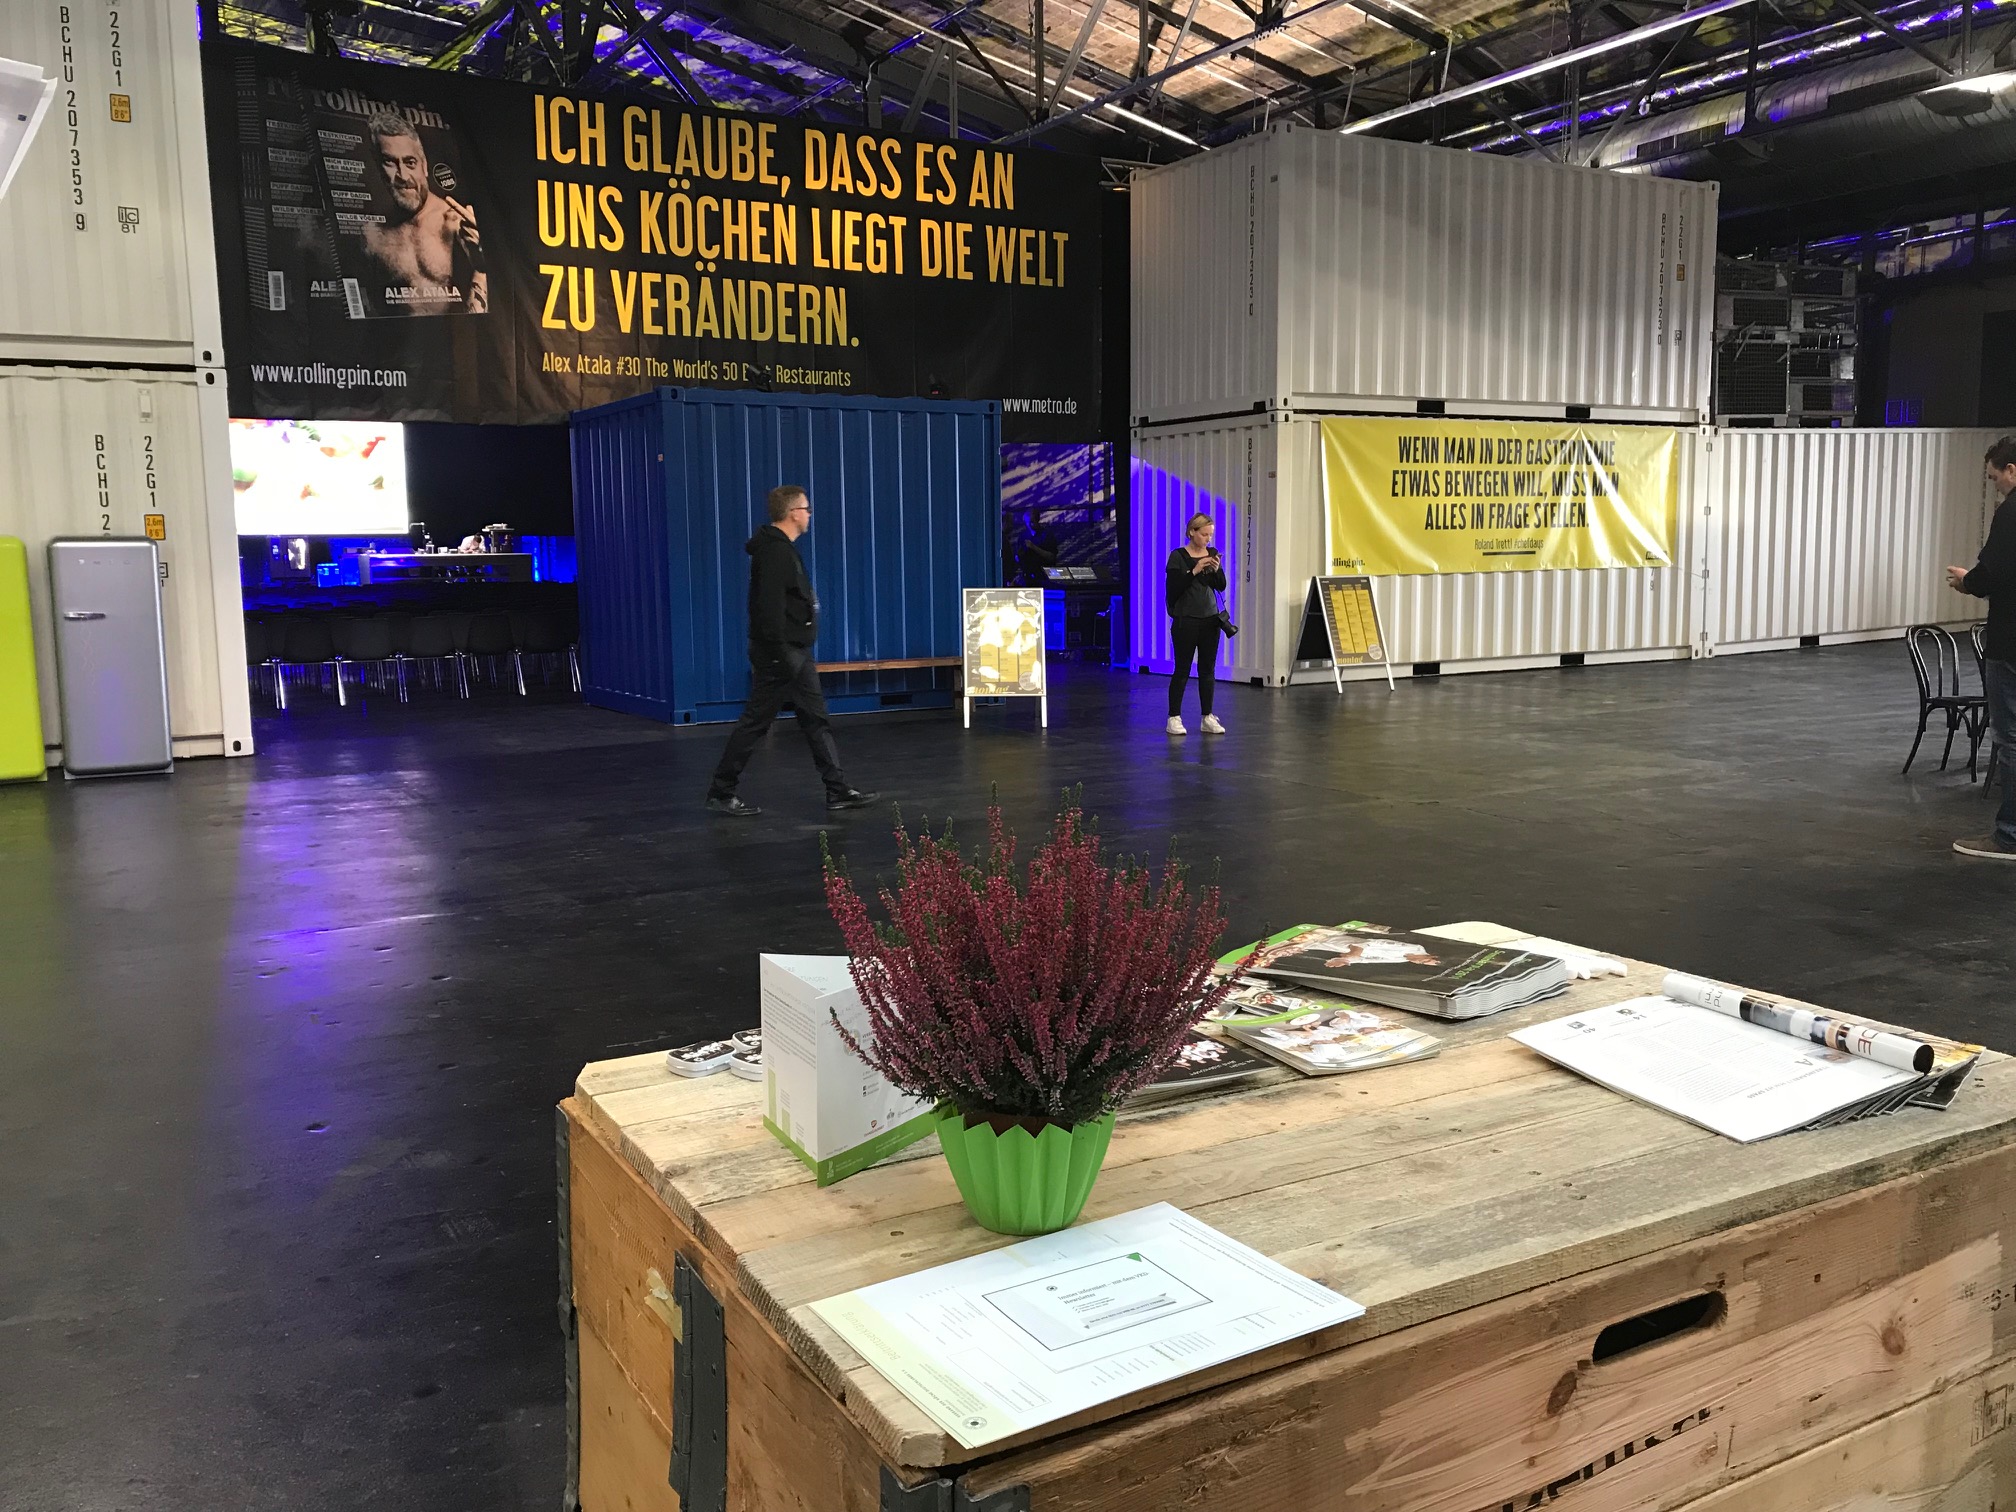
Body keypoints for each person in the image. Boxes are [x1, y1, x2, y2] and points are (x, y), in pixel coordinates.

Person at [706, 485, 877, 818]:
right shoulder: (775, 552)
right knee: (757, 721)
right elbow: (767, 609)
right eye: (806, 509)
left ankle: (837, 790)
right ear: (793, 513)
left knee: (815, 719)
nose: (810, 515)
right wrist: (779, 653)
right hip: (781, 653)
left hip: (795, 651)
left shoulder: (782, 550)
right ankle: (721, 791)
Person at [1947, 437, 2016, 859]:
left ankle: (2010, 834)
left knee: (2010, 739)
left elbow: (1993, 572)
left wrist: (1967, 581)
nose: (1995, 487)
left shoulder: (2011, 513)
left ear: (2012, 470)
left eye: (1994, 478)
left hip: (2010, 642)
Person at [359, 112, 486, 316]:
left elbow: (491, 296)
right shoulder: (372, 233)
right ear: (377, 165)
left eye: (410, 162)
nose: (403, 176)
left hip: (454, 336)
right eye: (390, 162)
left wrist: (482, 265)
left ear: (424, 165)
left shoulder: (456, 222)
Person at [1165, 512, 1227, 736]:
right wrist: (1194, 570)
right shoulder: (1178, 556)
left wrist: (1216, 570)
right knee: (1182, 669)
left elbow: (1221, 586)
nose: (1208, 539)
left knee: (1207, 669)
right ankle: (1174, 717)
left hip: (1210, 619)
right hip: (1186, 620)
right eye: (1204, 534)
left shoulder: (1211, 553)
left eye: (1210, 535)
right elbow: (1174, 587)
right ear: (1192, 532)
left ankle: (1207, 716)